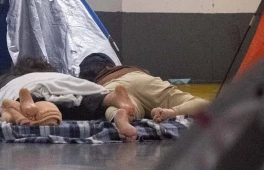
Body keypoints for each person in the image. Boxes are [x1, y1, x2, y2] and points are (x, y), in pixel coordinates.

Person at [0, 56, 141, 142]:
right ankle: (112, 97)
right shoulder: (60, 76)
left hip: (31, 87)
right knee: (85, 102)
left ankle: (28, 100)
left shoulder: (11, 79)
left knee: (41, 101)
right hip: (72, 86)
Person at [78, 53, 211, 123]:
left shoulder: (95, 85)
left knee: (119, 107)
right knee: (204, 105)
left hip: (110, 87)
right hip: (139, 78)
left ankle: (119, 115)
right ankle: (171, 112)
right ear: (110, 66)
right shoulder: (121, 68)